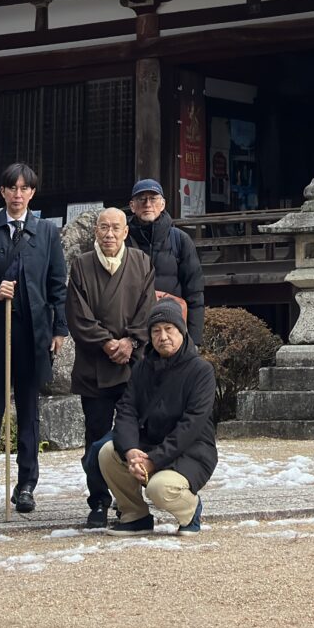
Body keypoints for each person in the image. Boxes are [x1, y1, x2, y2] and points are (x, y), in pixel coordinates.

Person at [0, 162, 67, 514]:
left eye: (25, 188)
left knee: (29, 408)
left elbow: (57, 284)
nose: (18, 194)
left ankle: (26, 483)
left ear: (33, 193)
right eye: (12, 188)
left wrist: (60, 328)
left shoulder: (46, 232)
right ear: (3, 192)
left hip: (34, 330)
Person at [65, 205, 153, 527]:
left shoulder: (141, 262)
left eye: (116, 228)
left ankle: (129, 500)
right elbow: (77, 315)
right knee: (96, 435)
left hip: (132, 366)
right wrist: (106, 343)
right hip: (94, 367)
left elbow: (148, 310)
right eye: (103, 227)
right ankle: (98, 500)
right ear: (95, 232)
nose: (109, 234)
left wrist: (130, 342)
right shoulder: (82, 265)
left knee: (133, 435)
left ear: (126, 232)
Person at [99, 299, 217, 535]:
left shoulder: (201, 371)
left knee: (159, 488)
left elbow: (191, 425)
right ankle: (136, 515)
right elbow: (127, 410)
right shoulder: (143, 368)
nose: (163, 336)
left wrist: (153, 460)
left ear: (181, 331)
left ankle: (191, 510)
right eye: (156, 331)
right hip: (149, 443)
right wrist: (131, 450)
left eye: (169, 329)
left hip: (191, 450)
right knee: (108, 452)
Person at [126, 177, 207, 342]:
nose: (148, 204)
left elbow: (194, 293)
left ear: (162, 204)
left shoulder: (180, 240)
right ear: (132, 206)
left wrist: (194, 341)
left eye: (153, 198)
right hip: (131, 330)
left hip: (171, 328)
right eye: (142, 199)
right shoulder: (122, 241)